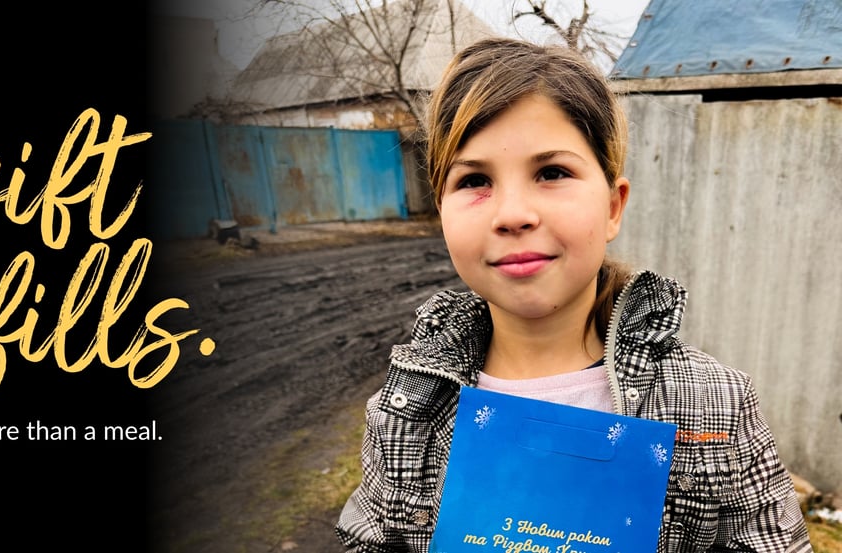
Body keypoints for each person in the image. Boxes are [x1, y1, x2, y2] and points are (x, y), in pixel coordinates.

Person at [335, 37, 811, 552]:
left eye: (552, 172)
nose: (513, 214)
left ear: (613, 205)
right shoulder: (403, 411)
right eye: (474, 179)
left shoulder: (715, 406)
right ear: (441, 209)